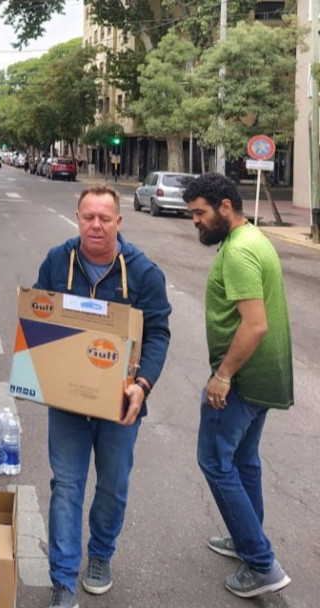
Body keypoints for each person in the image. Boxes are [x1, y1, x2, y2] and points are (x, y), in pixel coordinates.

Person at [34, 185, 171, 608]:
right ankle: (62, 580)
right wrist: (38, 370)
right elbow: (38, 316)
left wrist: (142, 384)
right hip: (69, 405)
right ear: (78, 218)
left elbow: (158, 334)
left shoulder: (144, 273)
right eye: (88, 217)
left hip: (119, 407)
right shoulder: (59, 261)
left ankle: (100, 555)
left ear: (118, 222)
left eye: (104, 218)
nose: (96, 225)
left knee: (112, 486)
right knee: (67, 487)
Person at [182, 173, 293, 598]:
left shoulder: (239, 252)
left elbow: (255, 325)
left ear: (225, 207)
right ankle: (246, 538)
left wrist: (222, 375)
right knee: (245, 460)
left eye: (199, 213)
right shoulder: (253, 239)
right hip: (264, 376)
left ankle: (261, 563)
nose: (194, 221)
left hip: (243, 378)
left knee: (214, 460)